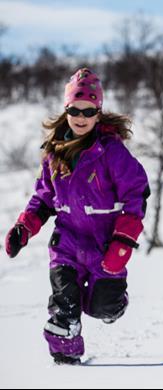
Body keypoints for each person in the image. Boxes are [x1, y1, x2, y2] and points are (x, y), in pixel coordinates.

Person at [4, 68, 150, 365]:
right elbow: (44, 197)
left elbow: (137, 193)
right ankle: (66, 362)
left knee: (102, 307)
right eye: (74, 110)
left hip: (104, 243)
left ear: (98, 113)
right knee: (64, 302)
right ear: (66, 109)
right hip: (67, 243)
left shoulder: (111, 152)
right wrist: (25, 226)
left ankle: (113, 304)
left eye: (88, 111)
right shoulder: (54, 153)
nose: (81, 117)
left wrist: (123, 240)